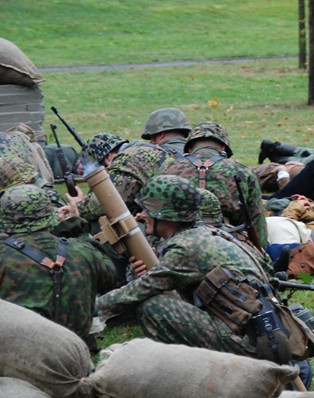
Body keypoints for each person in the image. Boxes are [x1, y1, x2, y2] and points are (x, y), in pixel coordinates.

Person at [96, 175, 273, 358]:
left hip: (251, 342)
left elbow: (140, 290)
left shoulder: (185, 247)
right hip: (261, 330)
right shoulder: (204, 234)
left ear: (163, 214)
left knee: (154, 307)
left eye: (147, 210)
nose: (141, 215)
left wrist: (91, 310)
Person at [0, 184, 118, 348]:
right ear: (50, 216)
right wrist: (77, 229)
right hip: (74, 353)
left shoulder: (3, 255)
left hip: (17, 354)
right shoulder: (83, 250)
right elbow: (110, 278)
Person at [159, 121, 267, 249]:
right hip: (228, 244)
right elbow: (256, 221)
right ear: (223, 147)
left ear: (189, 149)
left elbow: (154, 213)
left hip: (176, 243)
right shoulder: (242, 170)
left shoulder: (169, 169)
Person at [76, 132, 173, 225]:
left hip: (168, 220)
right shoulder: (146, 149)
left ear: (109, 157)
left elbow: (105, 205)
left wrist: (78, 207)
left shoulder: (125, 161)